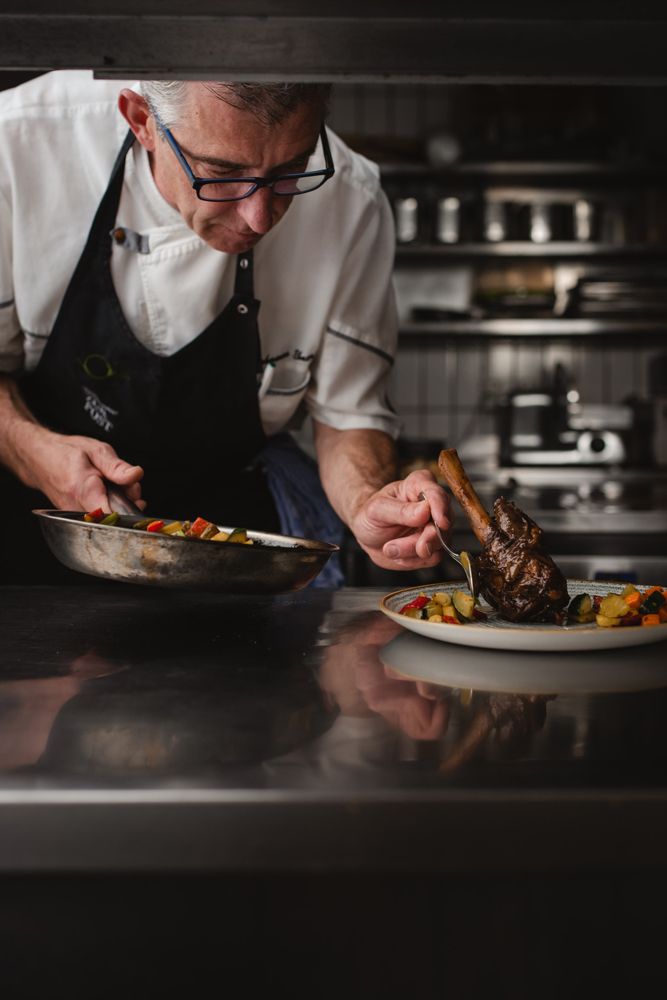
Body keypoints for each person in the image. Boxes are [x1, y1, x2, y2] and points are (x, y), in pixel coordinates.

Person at [0, 71, 451, 583]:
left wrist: (367, 502)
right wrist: (33, 450)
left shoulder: (351, 199)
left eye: (290, 171)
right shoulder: (18, 147)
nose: (259, 218)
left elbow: (348, 415)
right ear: (142, 121)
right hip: (32, 529)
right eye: (222, 173)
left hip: (230, 544)